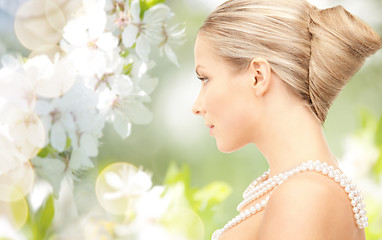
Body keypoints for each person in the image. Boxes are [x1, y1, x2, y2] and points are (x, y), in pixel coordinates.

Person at [191, 0, 381, 239]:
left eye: (205, 78)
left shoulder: (303, 194)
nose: (196, 107)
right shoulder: (297, 188)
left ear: (258, 77)